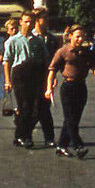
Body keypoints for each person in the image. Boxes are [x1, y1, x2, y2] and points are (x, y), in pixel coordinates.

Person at [45, 24, 95, 157]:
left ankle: (61, 146)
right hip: (68, 88)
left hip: (81, 87)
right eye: (77, 36)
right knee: (70, 118)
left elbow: (93, 65)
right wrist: (49, 88)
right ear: (70, 36)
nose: (80, 39)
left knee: (73, 119)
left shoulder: (86, 52)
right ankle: (78, 146)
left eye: (82, 36)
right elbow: (52, 70)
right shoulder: (63, 51)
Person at [3, 11, 47, 149]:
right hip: (19, 74)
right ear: (20, 22)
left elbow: (45, 59)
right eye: (26, 21)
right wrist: (7, 80)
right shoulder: (13, 41)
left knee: (33, 107)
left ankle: (20, 135)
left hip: (33, 74)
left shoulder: (38, 41)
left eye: (31, 22)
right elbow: (7, 61)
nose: (28, 24)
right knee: (24, 106)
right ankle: (24, 136)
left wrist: (47, 79)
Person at [31, 9, 57, 147]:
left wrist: (54, 76)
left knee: (44, 106)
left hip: (46, 77)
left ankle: (49, 137)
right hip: (31, 77)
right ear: (37, 20)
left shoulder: (51, 39)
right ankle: (24, 133)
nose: (47, 21)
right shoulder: (30, 37)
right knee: (34, 107)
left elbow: (55, 59)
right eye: (44, 18)